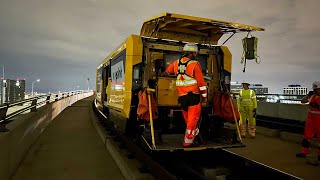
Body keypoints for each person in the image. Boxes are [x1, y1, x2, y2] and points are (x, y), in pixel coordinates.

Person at [164, 43, 207, 147]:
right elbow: (201, 84)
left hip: (182, 97)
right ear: (191, 53)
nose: (196, 54)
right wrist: (204, 96)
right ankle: (187, 142)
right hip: (194, 97)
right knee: (193, 120)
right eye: (195, 52)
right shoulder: (194, 64)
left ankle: (195, 136)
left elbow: (166, 72)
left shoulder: (176, 63)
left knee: (189, 120)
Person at [296, 81, 320, 161]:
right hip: (311, 121)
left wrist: (318, 106)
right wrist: (308, 95)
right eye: (315, 89)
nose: (316, 91)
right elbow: (302, 101)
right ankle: (304, 152)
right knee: (306, 138)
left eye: (317, 89)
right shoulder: (312, 96)